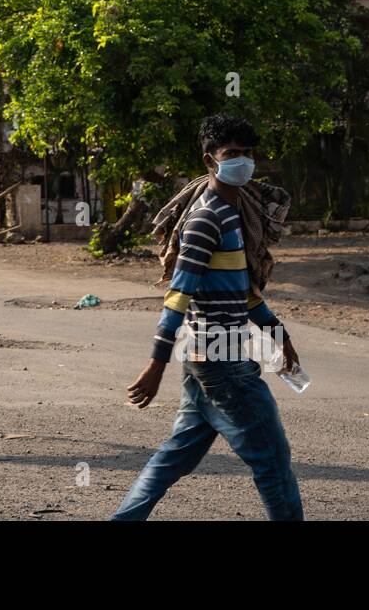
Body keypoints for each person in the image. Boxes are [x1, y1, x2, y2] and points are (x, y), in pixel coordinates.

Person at [111, 114, 304, 521]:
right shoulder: (206, 220)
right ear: (209, 161)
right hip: (222, 363)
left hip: (205, 362)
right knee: (273, 462)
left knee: (174, 457)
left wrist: (279, 336)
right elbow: (178, 294)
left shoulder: (237, 215)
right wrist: (155, 364)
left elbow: (244, 296)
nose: (244, 162)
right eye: (232, 154)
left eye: (248, 154)